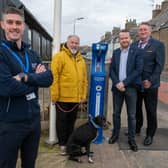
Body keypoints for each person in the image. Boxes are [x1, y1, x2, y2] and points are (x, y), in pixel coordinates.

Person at [0, 6, 53, 167]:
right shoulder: (2, 53)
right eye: (10, 22)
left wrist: (25, 77)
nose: (14, 26)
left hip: (34, 120)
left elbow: (49, 78)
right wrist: (36, 80)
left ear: (23, 26)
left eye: (18, 23)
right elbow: (6, 87)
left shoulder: (32, 54)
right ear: (3, 25)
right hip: (10, 123)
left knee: (30, 163)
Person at [50, 35, 88, 155]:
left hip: (76, 98)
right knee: (62, 122)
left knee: (71, 122)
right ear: (67, 42)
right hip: (62, 97)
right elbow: (54, 78)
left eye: (77, 43)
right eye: (72, 42)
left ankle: (69, 142)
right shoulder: (59, 57)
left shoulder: (81, 59)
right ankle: (62, 144)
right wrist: (54, 96)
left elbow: (84, 80)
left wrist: (83, 96)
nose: (74, 45)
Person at [108, 30, 143, 152]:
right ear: (119, 40)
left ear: (130, 39)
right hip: (117, 88)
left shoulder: (137, 52)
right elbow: (112, 70)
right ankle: (115, 135)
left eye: (126, 38)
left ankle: (132, 139)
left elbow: (138, 70)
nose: (124, 40)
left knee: (132, 115)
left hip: (131, 88)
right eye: (122, 38)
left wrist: (124, 83)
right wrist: (117, 82)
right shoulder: (116, 52)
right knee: (116, 113)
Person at [133, 22, 165, 146]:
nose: (143, 31)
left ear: (150, 31)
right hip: (136, 84)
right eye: (140, 30)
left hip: (150, 85)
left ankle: (150, 134)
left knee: (150, 110)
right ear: (138, 32)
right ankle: (136, 129)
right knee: (136, 109)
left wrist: (150, 80)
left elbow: (159, 65)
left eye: (145, 29)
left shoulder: (158, 45)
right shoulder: (134, 45)